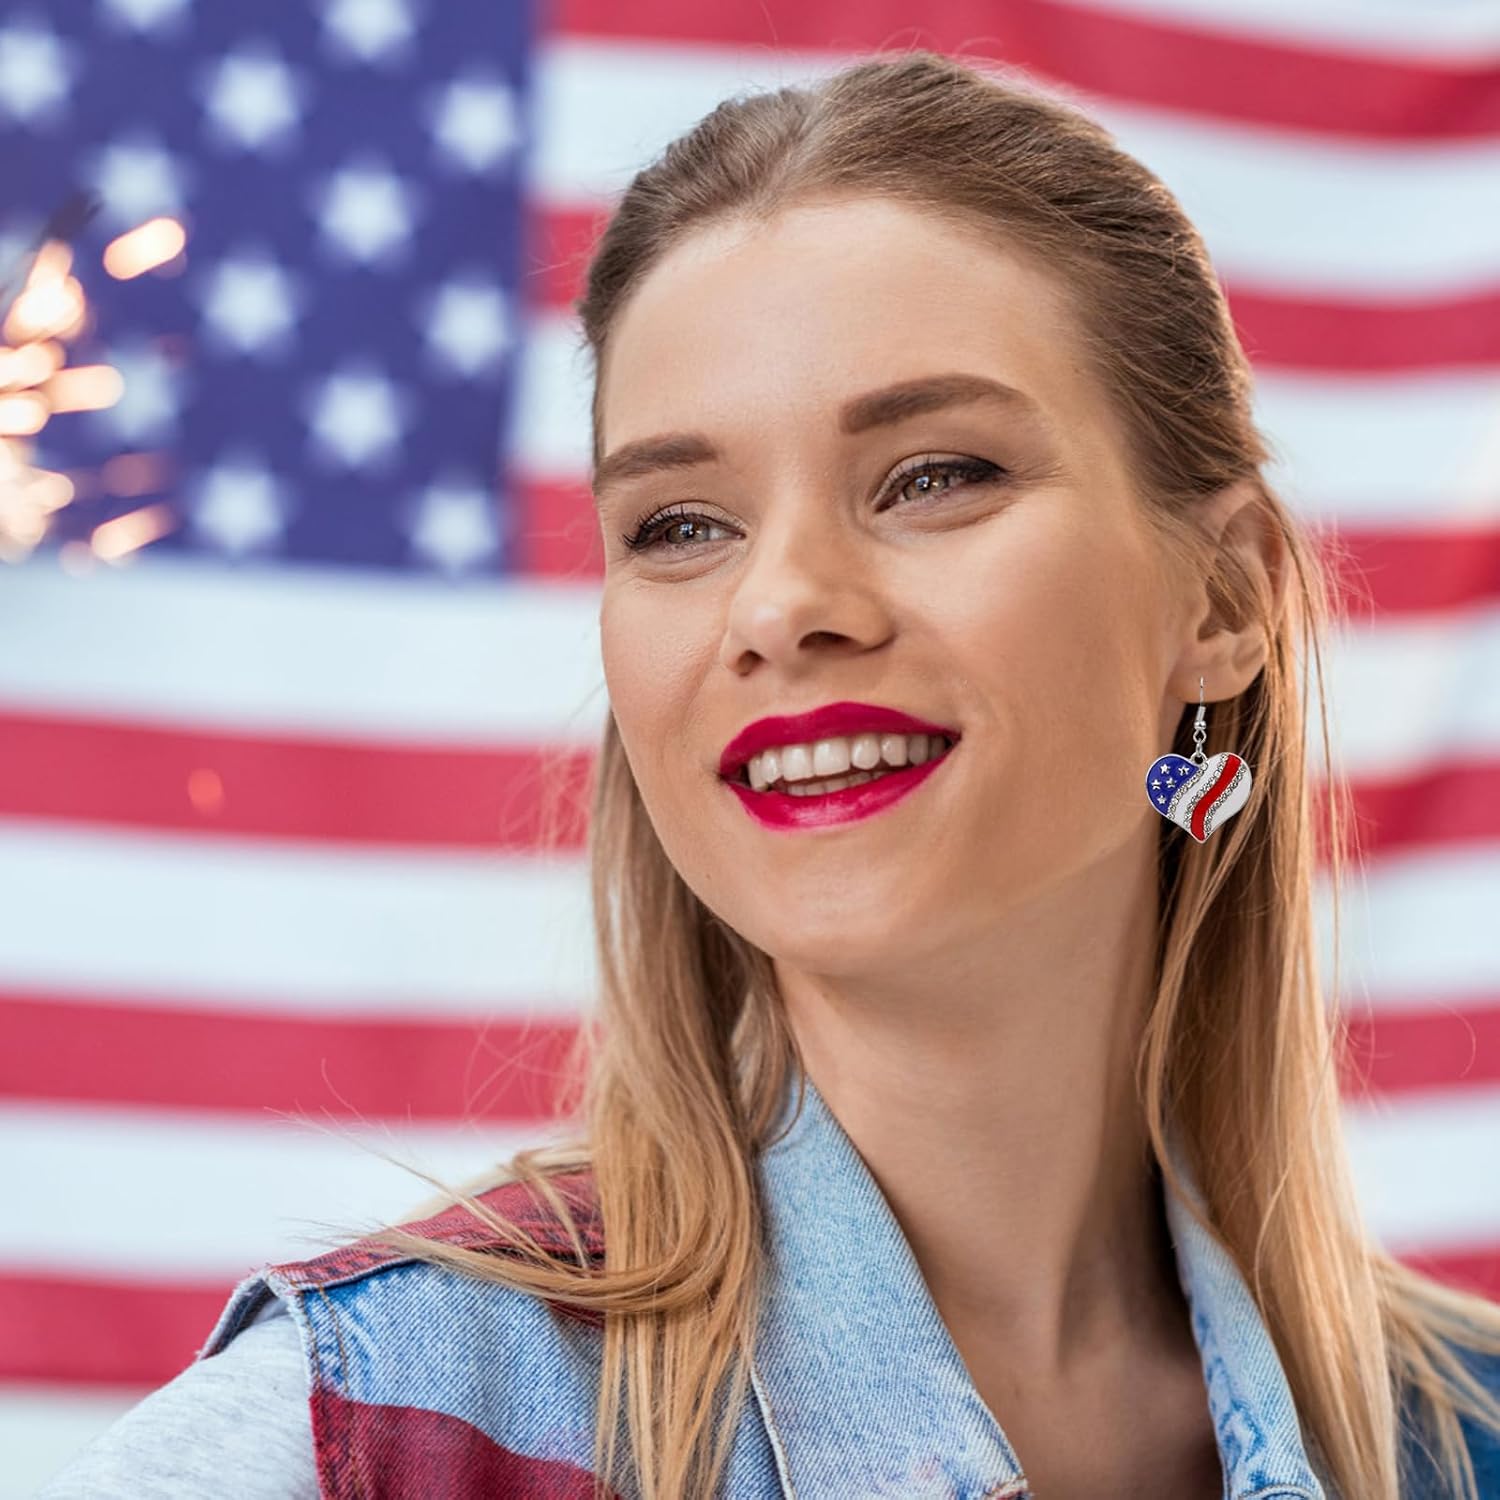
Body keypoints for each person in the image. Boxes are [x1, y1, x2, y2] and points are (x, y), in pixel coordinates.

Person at [39, 47, 1500, 1500]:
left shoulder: (1470, 1440)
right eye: (680, 524)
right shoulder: (382, 1436)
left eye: (935, 476)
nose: (782, 602)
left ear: (1225, 602)